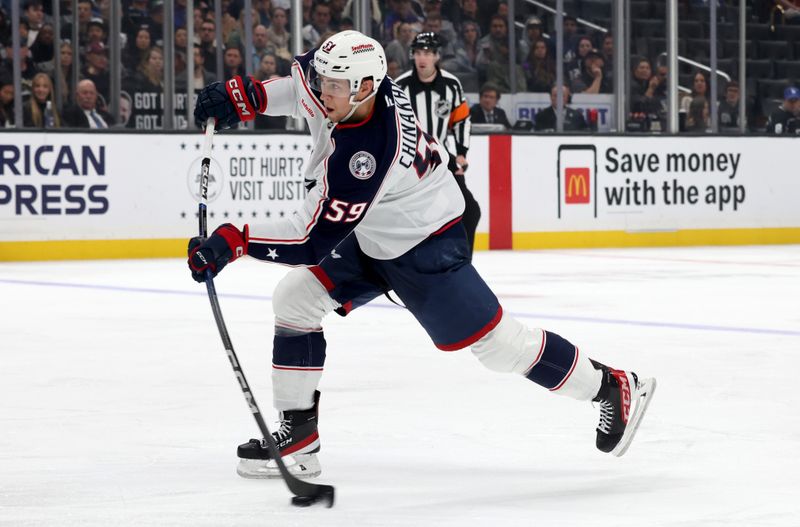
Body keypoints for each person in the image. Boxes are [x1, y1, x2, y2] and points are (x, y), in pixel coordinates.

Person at [189, 29, 656, 480]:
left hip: (427, 239)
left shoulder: (369, 153)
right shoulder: (352, 80)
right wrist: (246, 96)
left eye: (334, 86)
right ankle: (300, 441)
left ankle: (612, 386)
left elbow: (311, 240)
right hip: (375, 229)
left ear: (365, 89)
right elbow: (299, 89)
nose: (321, 90)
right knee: (295, 301)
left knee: (499, 347)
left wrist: (235, 240)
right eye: (324, 80)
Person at [394, 32, 481, 255]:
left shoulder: (451, 85)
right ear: (413, 55)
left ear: (437, 56)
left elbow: (461, 120)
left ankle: (462, 263)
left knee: (469, 211)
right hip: (411, 162)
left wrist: (461, 153)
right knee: (414, 217)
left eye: (429, 53)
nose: (423, 58)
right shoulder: (400, 87)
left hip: (443, 158)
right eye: (419, 53)